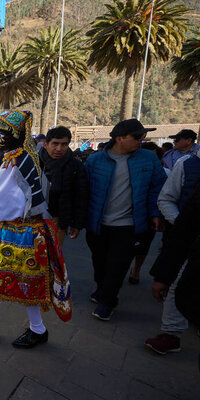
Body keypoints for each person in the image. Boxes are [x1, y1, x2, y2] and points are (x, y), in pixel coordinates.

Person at [0, 110, 72, 349]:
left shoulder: (23, 157)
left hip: (23, 230)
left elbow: (33, 195)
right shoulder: (12, 156)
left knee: (27, 281)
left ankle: (38, 329)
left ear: (17, 134)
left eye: (3, 133)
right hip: (3, 227)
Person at [85, 119, 166, 321]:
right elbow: (84, 190)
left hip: (129, 226)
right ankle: (103, 289)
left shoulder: (148, 159)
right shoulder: (95, 161)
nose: (142, 140)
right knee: (100, 263)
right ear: (119, 139)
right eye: (138, 137)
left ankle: (108, 302)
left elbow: (158, 187)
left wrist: (155, 213)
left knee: (117, 266)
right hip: (98, 224)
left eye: (143, 136)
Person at [144, 149, 200, 354]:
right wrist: (183, 224)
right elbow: (166, 199)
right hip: (189, 243)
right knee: (178, 284)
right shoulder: (187, 165)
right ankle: (171, 333)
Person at [39, 126, 88, 245]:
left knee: (54, 258)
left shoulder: (75, 166)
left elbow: (81, 196)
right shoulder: (34, 162)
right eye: (55, 144)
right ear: (46, 144)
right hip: (34, 218)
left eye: (64, 144)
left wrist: (77, 224)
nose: (59, 148)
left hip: (58, 219)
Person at [128, 141, 166, 284]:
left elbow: (161, 194)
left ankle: (136, 270)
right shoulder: (130, 169)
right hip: (128, 215)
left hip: (147, 215)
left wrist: (156, 214)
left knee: (142, 247)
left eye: (154, 157)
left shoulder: (164, 173)